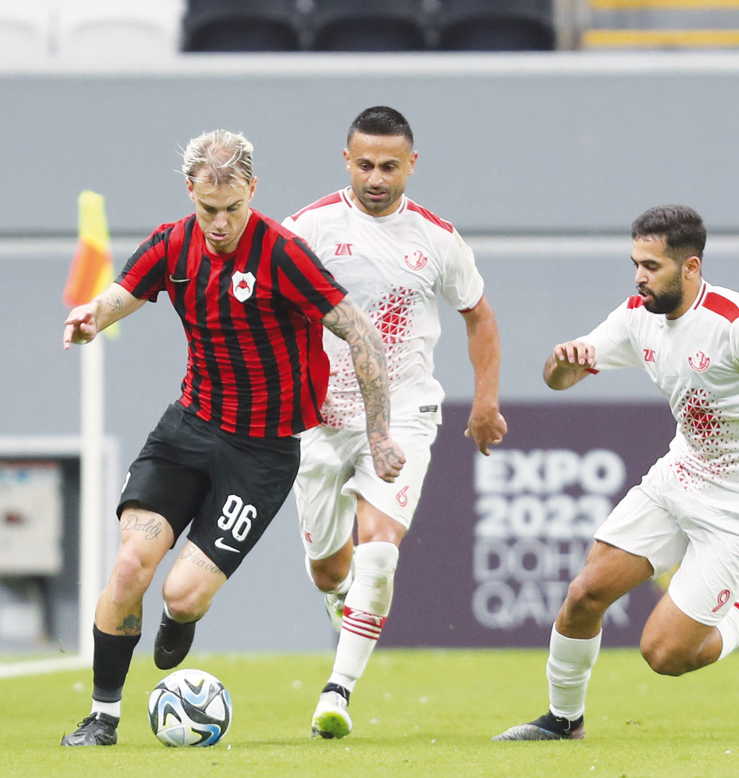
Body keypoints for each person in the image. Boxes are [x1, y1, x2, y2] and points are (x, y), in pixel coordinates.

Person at [60, 129, 404, 747]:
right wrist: (91, 315)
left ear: (252, 190)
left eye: (232, 209)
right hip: (187, 430)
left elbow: (362, 334)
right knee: (129, 567)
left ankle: (178, 619)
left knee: (183, 595)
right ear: (190, 191)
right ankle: (102, 717)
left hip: (262, 453)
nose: (219, 224)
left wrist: (379, 438)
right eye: (207, 210)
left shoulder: (284, 253)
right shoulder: (173, 243)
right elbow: (123, 292)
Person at [494, 204, 739, 742]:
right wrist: (564, 361)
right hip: (679, 478)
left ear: (690, 267)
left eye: (651, 266)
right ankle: (563, 721)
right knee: (585, 593)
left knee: (667, 654)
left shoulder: (737, 326)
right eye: (635, 263)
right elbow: (558, 379)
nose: (638, 276)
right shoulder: (636, 314)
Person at [281, 106, 508, 739]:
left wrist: (485, 402)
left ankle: (338, 691)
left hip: (405, 413)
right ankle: (344, 604)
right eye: (364, 164)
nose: (375, 177)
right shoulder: (307, 230)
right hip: (322, 419)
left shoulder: (436, 238)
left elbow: (479, 316)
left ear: (411, 164)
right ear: (345, 160)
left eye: (388, 165)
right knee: (332, 569)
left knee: (378, 551)